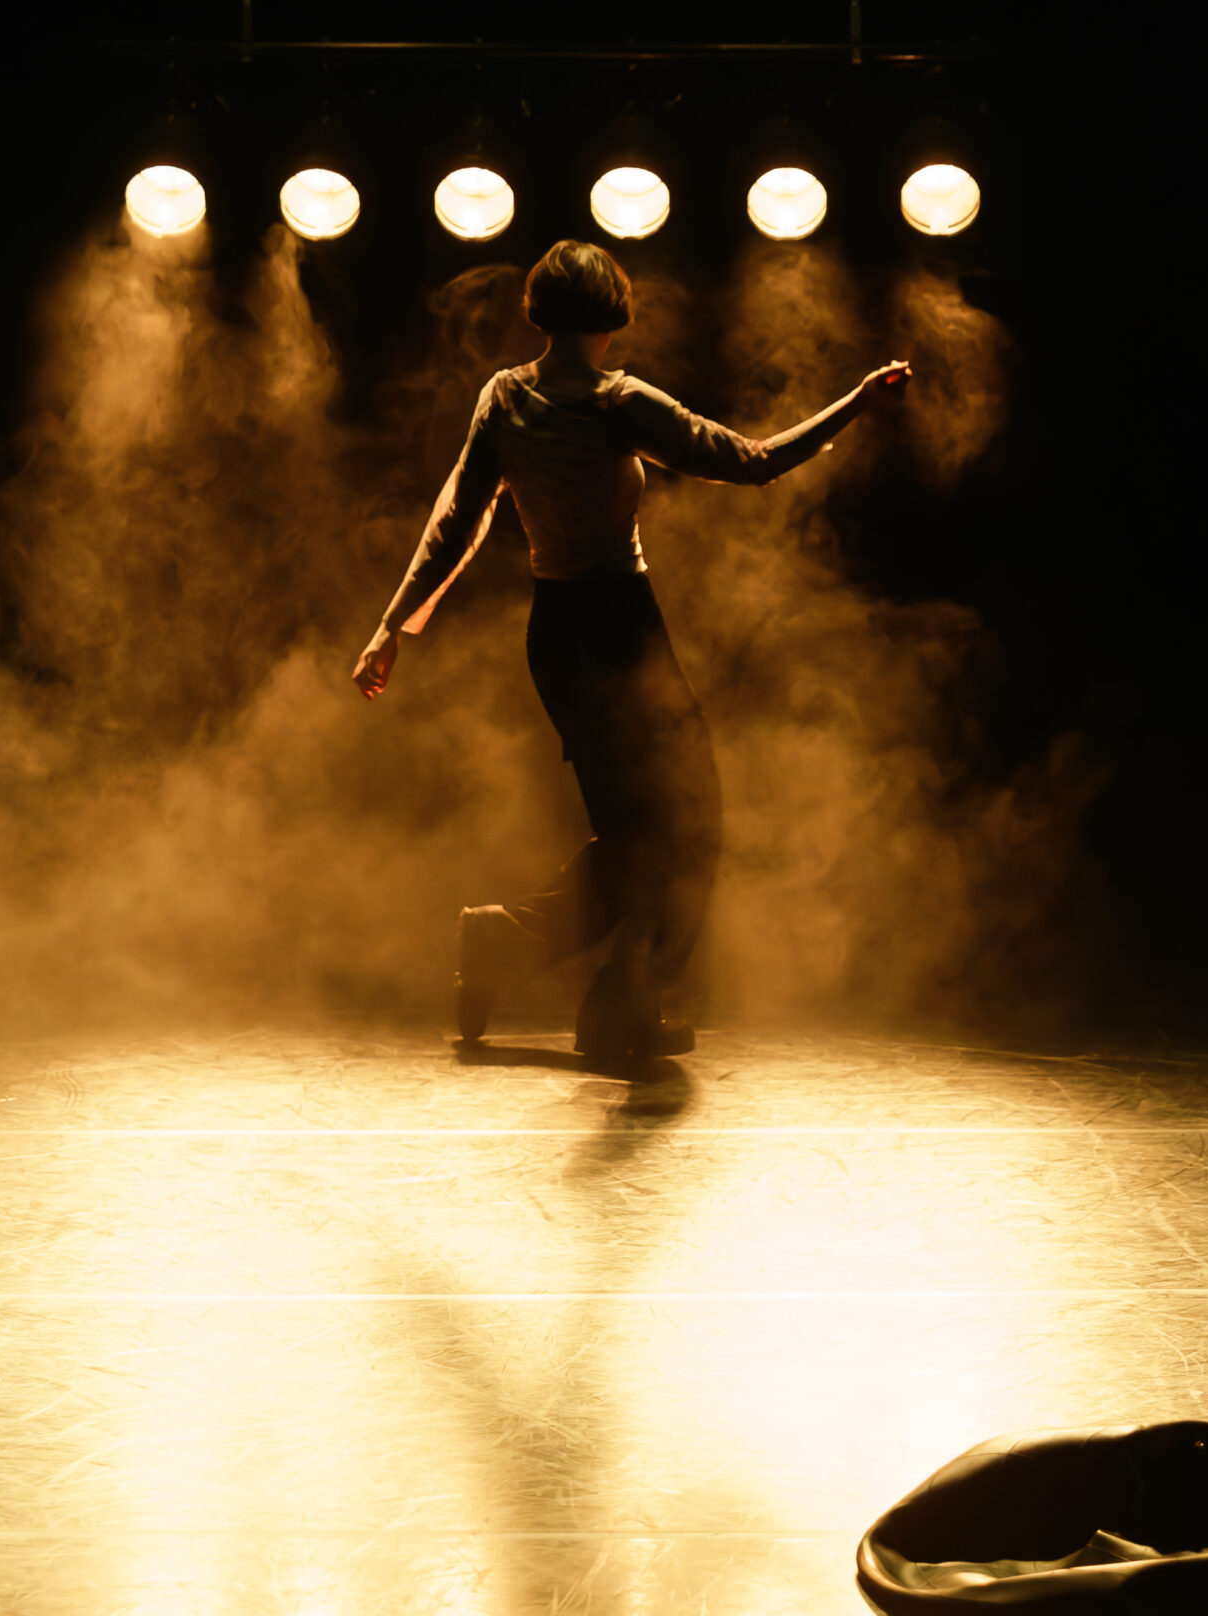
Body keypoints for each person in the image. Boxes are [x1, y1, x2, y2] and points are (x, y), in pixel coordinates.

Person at [354, 238, 909, 1060]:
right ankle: (612, 1002)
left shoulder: (503, 397)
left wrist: (389, 629)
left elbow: (454, 528)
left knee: (638, 834)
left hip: (558, 635)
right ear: (613, 311)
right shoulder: (618, 402)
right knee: (692, 828)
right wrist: (858, 403)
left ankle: (531, 956)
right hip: (618, 630)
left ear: (542, 311)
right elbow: (752, 462)